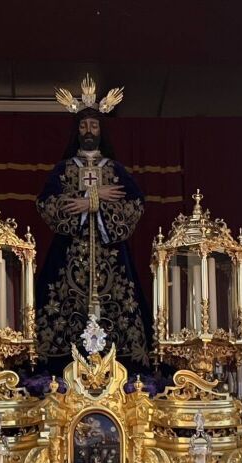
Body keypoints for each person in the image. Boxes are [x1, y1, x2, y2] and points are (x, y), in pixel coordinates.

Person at [34, 83, 154, 383]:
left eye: (94, 125)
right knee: (57, 305)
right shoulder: (64, 170)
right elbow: (46, 203)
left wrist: (91, 202)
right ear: (77, 131)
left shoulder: (115, 170)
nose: (89, 130)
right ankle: (58, 371)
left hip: (109, 256)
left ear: (101, 130)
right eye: (84, 125)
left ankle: (123, 373)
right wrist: (90, 199)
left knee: (122, 306)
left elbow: (135, 203)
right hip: (69, 254)